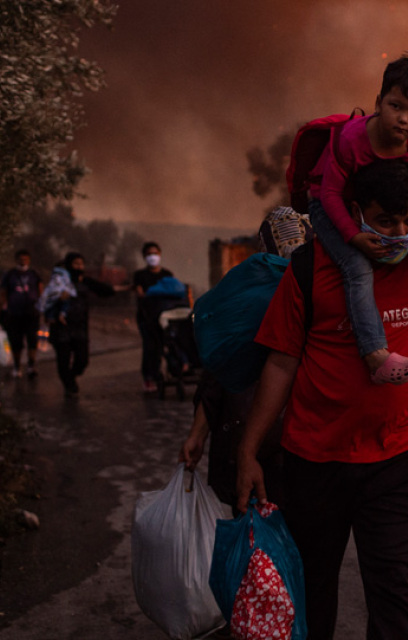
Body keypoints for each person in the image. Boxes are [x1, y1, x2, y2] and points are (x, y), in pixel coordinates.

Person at [237, 160, 408, 639]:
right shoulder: (311, 267)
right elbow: (281, 363)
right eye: (385, 221)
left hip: (394, 459)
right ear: (355, 213)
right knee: (312, 596)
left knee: (397, 594)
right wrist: (248, 451)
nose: (398, 233)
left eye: (407, 222)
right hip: (314, 461)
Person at [179, 207, 312, 510]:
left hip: (245, 434)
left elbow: (217, 370)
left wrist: (197, 434)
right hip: (293, 442)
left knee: (250, 534)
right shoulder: (318, 288)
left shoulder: (241, 291)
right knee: (292, 539)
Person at [308, 54, 408, 384]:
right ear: (379, 102)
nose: (404, 119)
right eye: (397, 106)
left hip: (372, 208)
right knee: (357, 268)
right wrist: (353, 236)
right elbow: (331, 195)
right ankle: (374, 355)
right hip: (329, 205)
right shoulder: (352, 140)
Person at [47, 251, 114, 397]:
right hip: (61, 328)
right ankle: (69, 384)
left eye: (81, 264)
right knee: (63, 359)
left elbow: (106, 291)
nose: (79, 267)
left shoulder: (86, 281)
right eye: (76, 264)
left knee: (82, 360)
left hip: (80, 328)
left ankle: (71, 377)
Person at [133, 242, 174, 393]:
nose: (153, 257)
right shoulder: (140, 275)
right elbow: (140, 293)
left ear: (160, 254)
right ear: (144, 257)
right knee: (149, 347)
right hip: (146, 317)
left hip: (164, 316)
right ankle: (149, 377)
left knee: (162, 346)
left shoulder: (167, 274)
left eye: (155, 253)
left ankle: (160, 374)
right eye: (149, 254)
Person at [0, 249, 43, 378]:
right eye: (21, 259)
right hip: (14, 314)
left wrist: (42, 309)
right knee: (16, 342)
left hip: (31, 313)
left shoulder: (34, 274)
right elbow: (3, 293)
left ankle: (31, 366)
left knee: (32, 340)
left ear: (29, 260)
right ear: (16, 260)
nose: (23, 262)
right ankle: (17, 366)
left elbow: (40, 291)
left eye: (25, 259)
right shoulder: (10, 275)